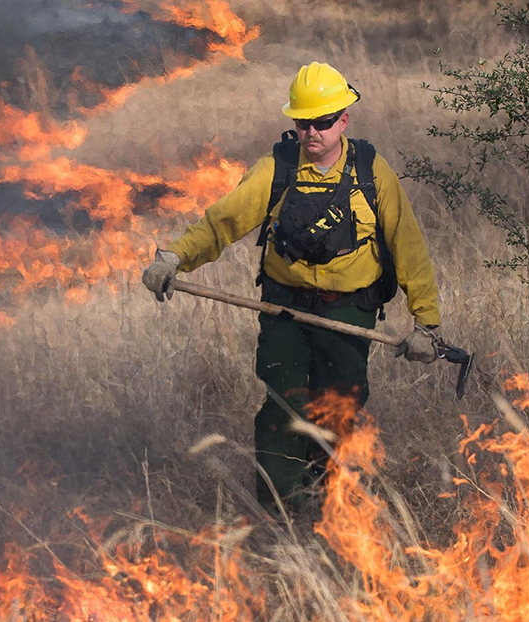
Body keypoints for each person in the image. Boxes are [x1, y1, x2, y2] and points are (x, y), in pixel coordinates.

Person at [141, 62, 443, 513]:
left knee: (337, 411)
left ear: (344, 119)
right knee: (284, 407)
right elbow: (222, 222)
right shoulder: (276, 169)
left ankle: (325, 508)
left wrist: (427, 323)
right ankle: (280, 514)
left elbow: (408, 246)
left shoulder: (372, 173)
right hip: (284, 310)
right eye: (302, 122)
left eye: (322, 122)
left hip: (349, 314)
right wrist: (174, 257)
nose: (311, 132)